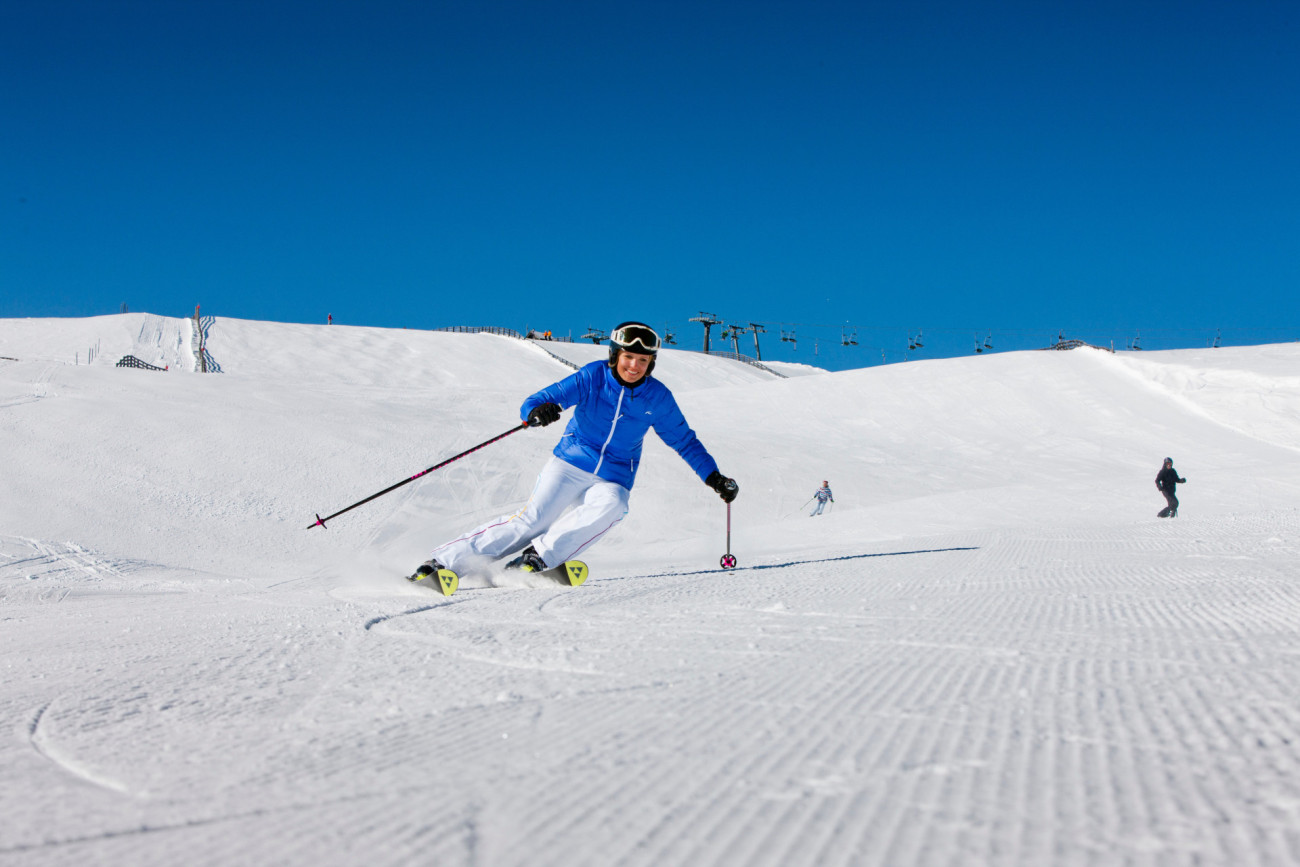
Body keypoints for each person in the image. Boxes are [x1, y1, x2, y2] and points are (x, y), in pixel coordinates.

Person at [414, 321, 738, 581]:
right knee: (532, 521)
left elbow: (684, 440)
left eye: (643, 360)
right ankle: (442, 563)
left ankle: (538, 557)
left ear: (651, 363)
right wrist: (539, 411)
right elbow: (535, 401)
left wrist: (713, 477)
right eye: (628, 357)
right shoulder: (593, 376)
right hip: (570, 462)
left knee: (614, 505)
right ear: (615, 355)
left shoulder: (658, 398)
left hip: (613, 474)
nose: (634, 366)